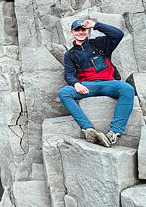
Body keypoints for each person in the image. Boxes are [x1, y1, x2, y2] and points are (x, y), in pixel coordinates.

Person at [58, 19, 135, 147]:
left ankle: (114, 134)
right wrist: (76, 84)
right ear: (72, 33)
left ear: (87, 31)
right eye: (77, 30)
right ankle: (88, 129)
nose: (81, 32)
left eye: (83, 29)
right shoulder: (70, 54)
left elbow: (118, 34)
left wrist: (95, 25)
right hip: (88, 87)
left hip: (109, 83)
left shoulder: (99, 44)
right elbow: (69, 74)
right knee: (64, 92)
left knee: (127, 89)